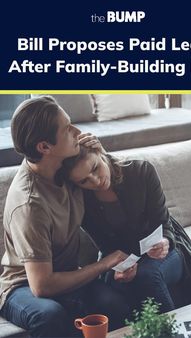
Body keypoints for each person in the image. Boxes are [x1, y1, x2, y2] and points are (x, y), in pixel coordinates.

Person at [0, 96, 131, 338]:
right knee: (50, 314)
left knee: (115, 302)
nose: (77, 131)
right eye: (67, 128)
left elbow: (115, 181)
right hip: (22, 286)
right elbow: (42, 286)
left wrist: (99, 153)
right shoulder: (30, 204)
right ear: (44, 147)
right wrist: (103, 264)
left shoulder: (66, 166)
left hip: (67, 272)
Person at [61, 145, 191, 313]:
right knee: (111, 289)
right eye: (84, 181)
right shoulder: (82, 199)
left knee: (147, 275)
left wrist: (164, 242)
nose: (95, 181)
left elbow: (164, 224)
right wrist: (121, 267)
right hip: (123, 256)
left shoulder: (141, 171)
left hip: (169, 247)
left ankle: (168, 333)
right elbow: (105, 246)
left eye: (95, 168)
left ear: (100, 153)